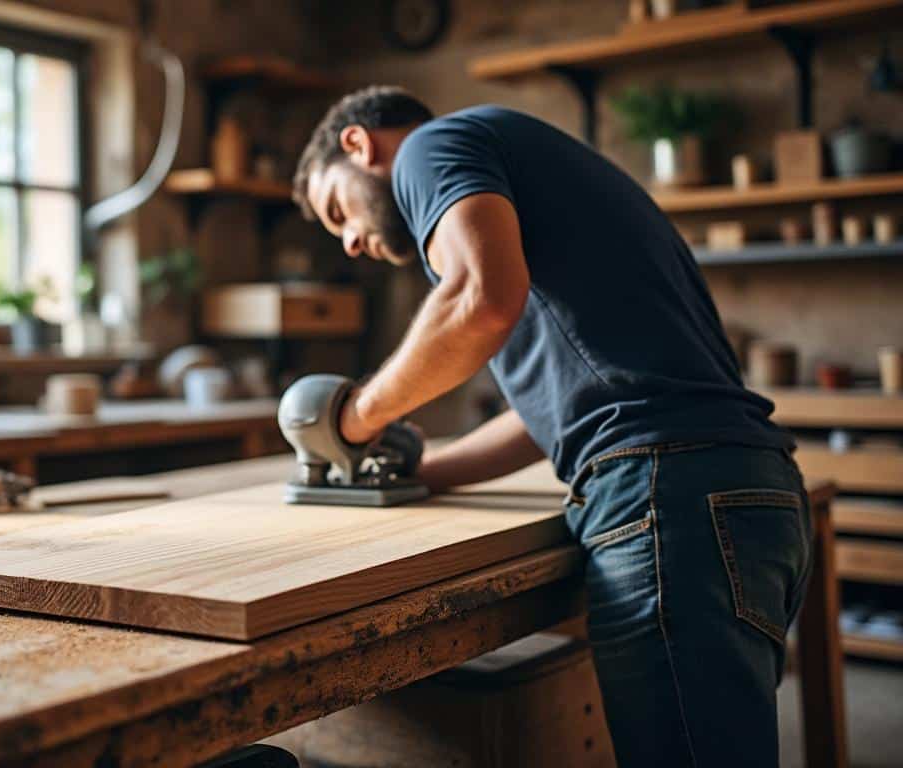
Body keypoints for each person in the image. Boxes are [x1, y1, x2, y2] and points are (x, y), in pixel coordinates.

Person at [292, 86, 810, 768]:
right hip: (739, 489)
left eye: (338, 211)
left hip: (667, 495)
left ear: (359, 145)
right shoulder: (529, 167)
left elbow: (480, 299)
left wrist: (355, 417)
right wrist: (420, 471)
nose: (352, 242)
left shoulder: (429, 148)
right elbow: (550, 418)